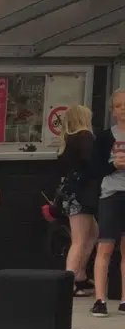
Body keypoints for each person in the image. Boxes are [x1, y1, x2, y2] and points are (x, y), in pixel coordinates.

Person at [53, 104, 97, 296]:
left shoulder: (68, 140)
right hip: (81, 193)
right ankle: (69, 280)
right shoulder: (86, 136)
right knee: (79, 240)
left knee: (92, 233)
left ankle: (79, 275)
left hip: (70, 194)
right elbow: (90, 164)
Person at [91, 89, 125, 317]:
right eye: (119, 106)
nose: (123, 110)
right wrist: (115, 165)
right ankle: (100, 299)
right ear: (113, 111)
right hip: (111, 194)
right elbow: (94, 169)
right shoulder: (105, 137)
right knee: (105, 246)